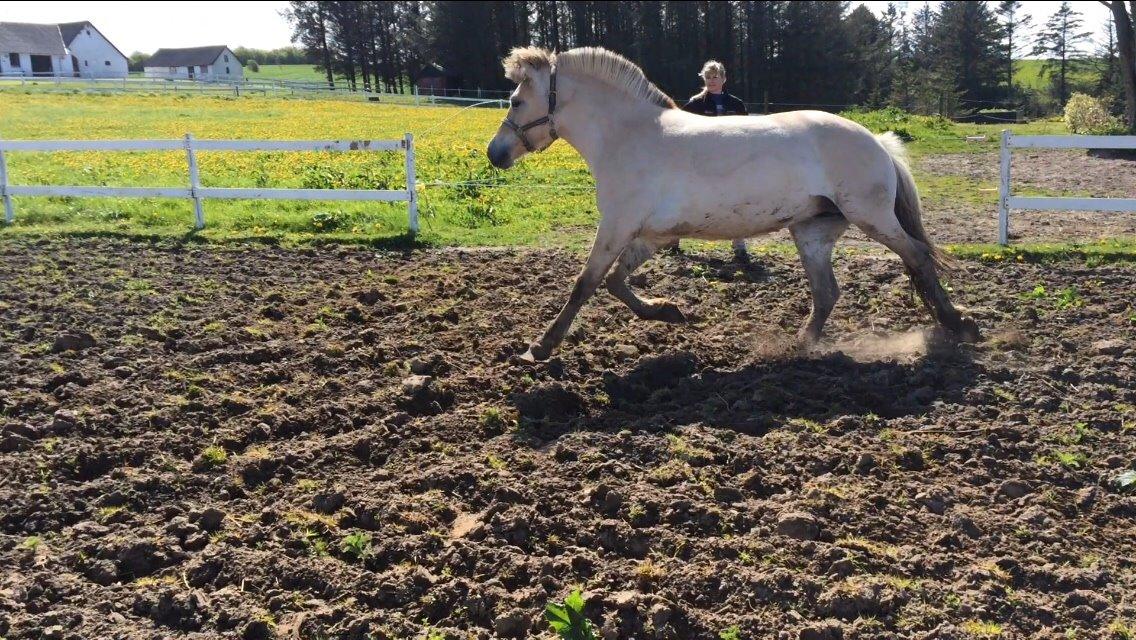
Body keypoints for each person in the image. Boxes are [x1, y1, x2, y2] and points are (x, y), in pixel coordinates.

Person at [666, 60, 752, 262]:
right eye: (708, 77)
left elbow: (748, 134)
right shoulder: (694, 104)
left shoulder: (736, 105)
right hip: (700, 164)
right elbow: (680, 131)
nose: (711, 81)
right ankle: (673, 240)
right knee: (686, 198)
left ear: (723, 78)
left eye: (715, 77)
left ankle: (739, 243)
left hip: (731, 164)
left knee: (736, 201)